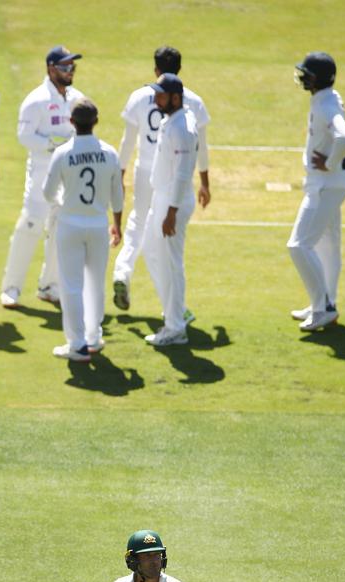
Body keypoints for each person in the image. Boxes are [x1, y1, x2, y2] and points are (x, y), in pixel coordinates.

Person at [112, 46, 210, 314]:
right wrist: (205, 182)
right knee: (161, 246)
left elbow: (127, 141)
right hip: (172, 173)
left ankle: (123, 272)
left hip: (146, 170)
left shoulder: (140, 96)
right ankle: (175, 309)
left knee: (139, 225)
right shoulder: (194, 101)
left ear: (156, 69)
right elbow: (202, 145)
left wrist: (119, 175)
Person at [0, 45, 85, 309]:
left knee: (61, 228)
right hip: (41, 171)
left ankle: (50, 286)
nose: (69, 71)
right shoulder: (35, 100)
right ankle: (11, 287)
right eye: (64, 66)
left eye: (72, 66)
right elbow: (24, 136)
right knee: (31, 224)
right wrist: (52, 143)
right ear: (50, 69)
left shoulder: (77, 99)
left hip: (68, 174)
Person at [42, 100, 123, 361]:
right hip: (98, 225)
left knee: (71, 285)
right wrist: (117, 226)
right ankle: (93, 337)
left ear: (72, 122)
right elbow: (118, 196)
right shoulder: (110, 153)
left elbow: (47, 192)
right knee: (95, 283)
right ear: (95, 121)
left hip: (70, 224)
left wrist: (63, 201)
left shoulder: (63, 153)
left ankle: (76, 344)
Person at [287, 52, 345, 332]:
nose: (303, 77)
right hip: (330, 184)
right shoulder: (327, 98)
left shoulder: (327, 106)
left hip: (324, 186)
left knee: (299, 245)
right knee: (327, 246)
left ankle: (322, 307)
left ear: (318, 79)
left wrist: (330, 162)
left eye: (308, 74)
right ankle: (326, 302)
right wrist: (336, 162)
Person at [142, 74, 198, 347]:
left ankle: (176, 326)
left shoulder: (183, 128)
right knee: (151, 250)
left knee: (171, 264)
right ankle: (176, 312)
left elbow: (184, 173)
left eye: (160, 95)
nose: (155, 99)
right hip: (162, 197)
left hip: (172, 202)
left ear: (175, 98)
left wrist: (172, 212)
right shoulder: (172, 120)